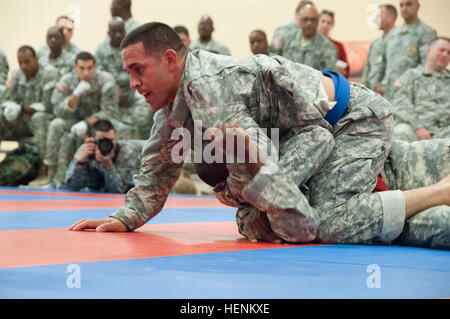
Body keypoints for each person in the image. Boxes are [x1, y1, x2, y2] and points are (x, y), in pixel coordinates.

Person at [69, 22, 450, 251]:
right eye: (128, 73)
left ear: (171, 59)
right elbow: (157, 167)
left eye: (139, 70)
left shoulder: (208, 88)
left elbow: (270, 182)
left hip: (352, 119)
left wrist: (251, 200)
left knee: (330, 221)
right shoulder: (173, 106)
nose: (133, 83)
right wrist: (125, 217)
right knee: (278, 204)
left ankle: (439, 193)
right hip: (321, 131)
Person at [32, 51, 121, 187]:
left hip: (99, 123)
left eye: (90, 68)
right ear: (75, 68)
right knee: (56, 124)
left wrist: (87, 123)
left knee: (117, 128)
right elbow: (57, 110)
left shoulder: (106, 80)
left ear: (95, 67)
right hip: (73, 121)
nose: (86, 72)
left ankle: (104, 174)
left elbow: (110, 111)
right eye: (82, 68)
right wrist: (75, 95)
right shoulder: (67, 80)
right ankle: (50, 173)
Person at [1, 46, 59, 186]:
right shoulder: (16, 74)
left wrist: (22, 109)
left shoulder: (49, 73)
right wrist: (9, 106)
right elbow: (6, 98)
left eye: (27, 62)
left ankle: (44, 172)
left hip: (44, 121)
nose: (23, 66)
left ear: (36, 59)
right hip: (21, 121)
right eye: (20, 62)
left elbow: (50, 105)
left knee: (38, 118)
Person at [95, 16, 153, 139]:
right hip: (110, 89)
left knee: (144, 103)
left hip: (132, 87)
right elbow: (98, 74)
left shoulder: (134, 48)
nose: (117, 35)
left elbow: (140, 70)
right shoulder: (101, 50)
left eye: (120, 31)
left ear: (125, 32)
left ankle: (138, 133)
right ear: (108, 32)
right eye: (114, 31)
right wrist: (115, 87)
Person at [375, 0, 437, 101]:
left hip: (410, 94)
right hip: (388, 93)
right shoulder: (393, 33)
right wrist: (378, 83)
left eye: (408, 4)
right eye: (401, 5)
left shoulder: (426, 33)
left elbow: (427, 66)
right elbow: (383, 61)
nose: (404, 8)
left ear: (417, 6)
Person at [392, 37, 450, 142]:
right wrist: (418, 127)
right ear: (429, 50)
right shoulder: (411, 76)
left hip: (445, 131)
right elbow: (401, 105)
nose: (445, 55)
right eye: (441, 50)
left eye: (449, 53)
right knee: (400, 131)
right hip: (415, 130)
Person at [65, 119, 141, 193]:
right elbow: (72, 187)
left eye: (111, 140)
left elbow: (120, 191)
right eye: (102, 141)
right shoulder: (87, 149)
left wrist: (108, 165)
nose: (106, 144)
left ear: (116, 138)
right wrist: (80, 164)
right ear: (93, 140)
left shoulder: (127, 152)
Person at [272, 2, 338, 71]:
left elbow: (327, 75)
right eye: (305, 19)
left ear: (317, 21)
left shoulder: (328, 47)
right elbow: (272, 57)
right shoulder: (286, 39)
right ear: (299, 21)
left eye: (313, 20)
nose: (309, 23)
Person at [362, 4, 397, 91]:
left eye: (379, 16)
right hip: (372, 93)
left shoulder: (400, 40)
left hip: (390, 93)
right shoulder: (375, 43)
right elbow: (368, 69)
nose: (375, 20)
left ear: (390, 17)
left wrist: (384, 86)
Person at [318, 10, 350, 78]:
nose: (325, 25)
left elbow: (346, 70)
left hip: (332, 82)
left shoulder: (338, 46)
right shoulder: (309, 44)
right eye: (323, 21)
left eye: (329, 23)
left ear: (332, 25)